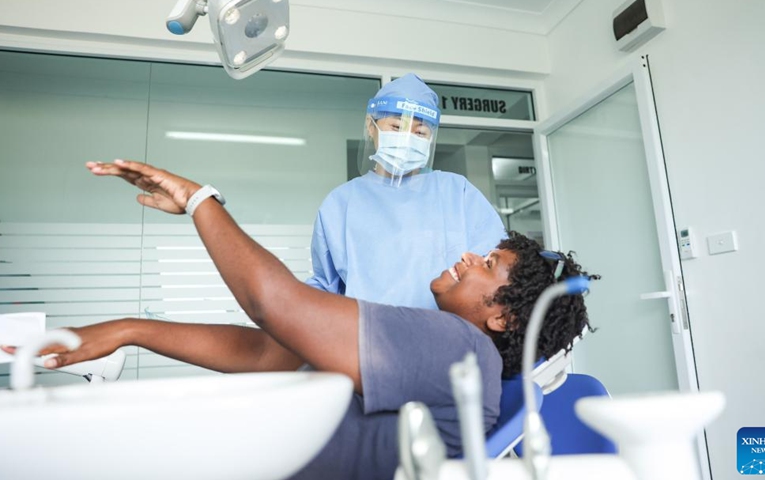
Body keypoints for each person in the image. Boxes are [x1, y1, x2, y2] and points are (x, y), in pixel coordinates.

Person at [3, 160, 596, 480]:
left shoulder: (458, 350)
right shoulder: (453, 356)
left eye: (488, 263)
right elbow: (268, 350)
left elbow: (274, 303)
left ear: (501, 316)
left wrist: (198, 200)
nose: (469, 254)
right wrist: (131, 329)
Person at [306, 73, 507, 310]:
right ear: (372, 127)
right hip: (369, 336)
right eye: (396, 127)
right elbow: (325, 288)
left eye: (420, 132)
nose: (407, 140)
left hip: (446, 335)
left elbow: (497, 272)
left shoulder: (457, 193)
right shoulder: (341, 203)